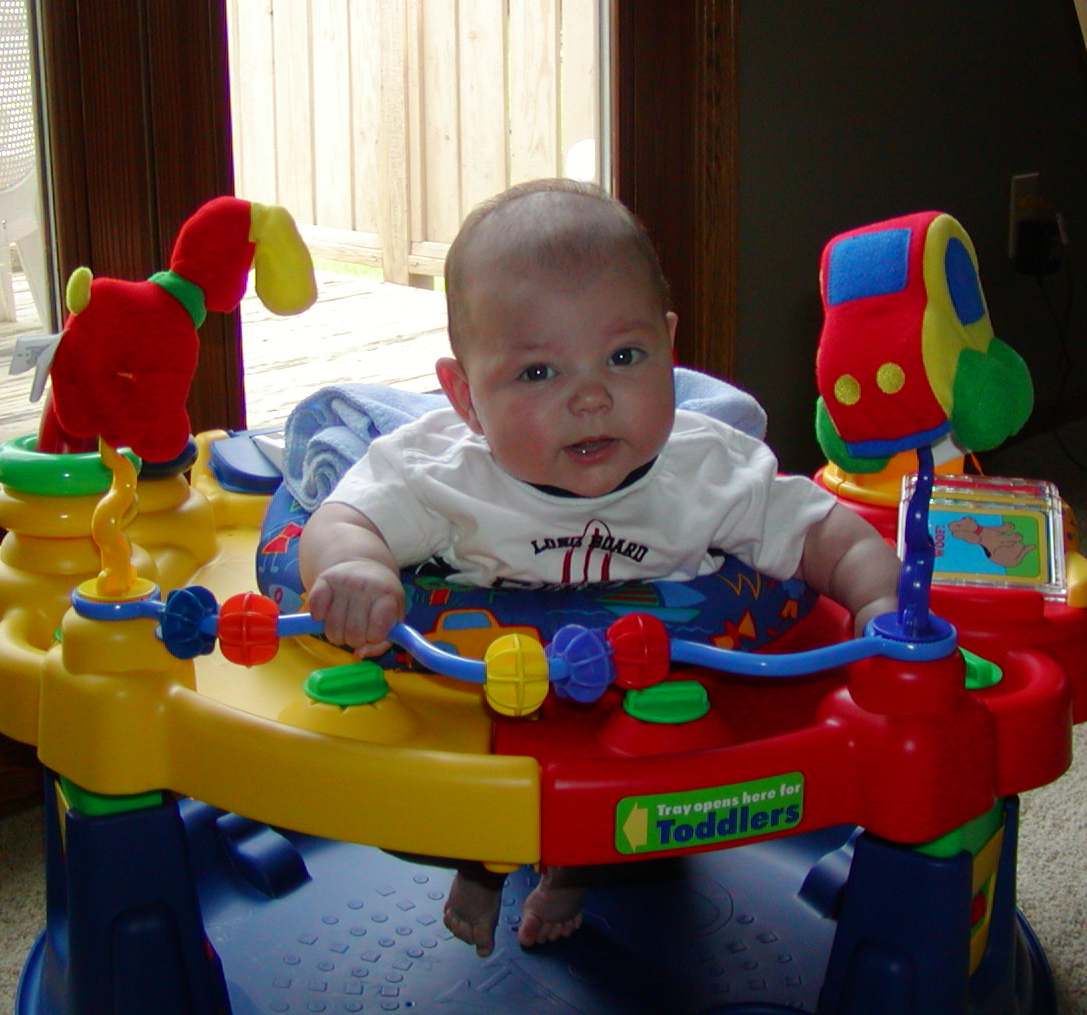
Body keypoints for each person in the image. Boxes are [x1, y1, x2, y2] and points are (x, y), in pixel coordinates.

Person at [298, 178, 902, 957]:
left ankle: (576, 871)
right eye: (538, 373)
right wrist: (358, 569)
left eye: (624, 357)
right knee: (430, 793)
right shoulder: (444, 476)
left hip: (640, 714)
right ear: (465, 396)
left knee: (656, 796)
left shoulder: (706, 471)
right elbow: (344, 518)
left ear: (669, 350)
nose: (591, 398)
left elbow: (830, 534)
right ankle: (481, 864)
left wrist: (880, 602)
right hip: (482, 707)